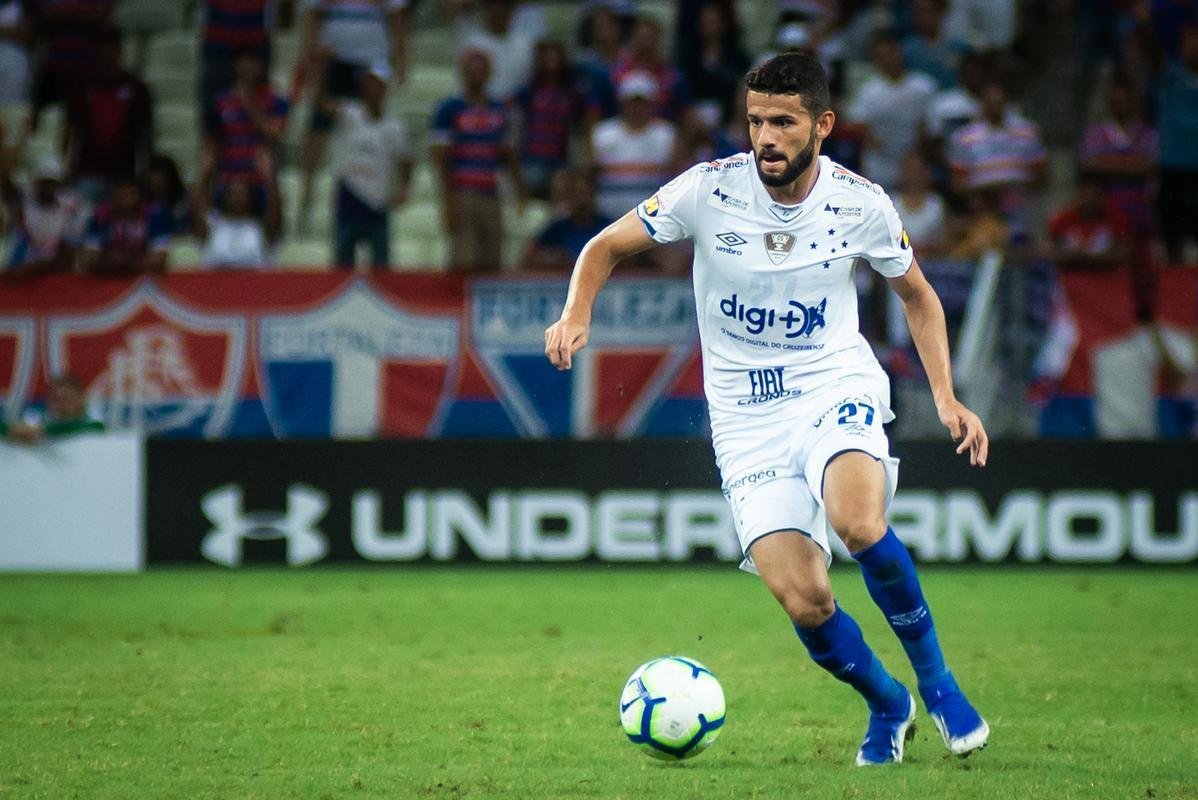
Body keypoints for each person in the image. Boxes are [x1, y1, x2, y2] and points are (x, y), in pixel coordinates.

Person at [544, 52, 990, 766]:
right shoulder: (705, 191)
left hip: (832, 386)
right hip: (746, 420)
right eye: (756, 121)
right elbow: (603, 248)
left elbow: (918, 297)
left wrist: (945, 395)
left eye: (783, 122)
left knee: (859, 522)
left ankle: (938, 684)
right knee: (805, 600)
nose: (766, 138)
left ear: (823, 124)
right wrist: (575, 314)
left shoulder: (862, 204)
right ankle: (889, 702)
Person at [430, 47, 524, 272]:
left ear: (489, 73)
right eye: (471, 70)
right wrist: (448, 202)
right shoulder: (449, 109)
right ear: (463, 73)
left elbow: (508, 154)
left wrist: (519, 189)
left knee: (493, 257)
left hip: (491, 192)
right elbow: (441, 159)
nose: (476, 75)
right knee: (464, 258)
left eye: (481, 71)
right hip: (464, 193)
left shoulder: (499, 110)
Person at [324, 61, 413, 269]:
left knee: (381, 267)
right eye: (368, 84)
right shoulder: (349, 114)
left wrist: (404, 189)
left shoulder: (394, 126)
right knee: (342, 265)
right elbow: (325, 106)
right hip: (348, 196)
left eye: (378, 84)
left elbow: (407, 159)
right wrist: (323, 68)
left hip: (377, 201)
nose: (373, 89)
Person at [64, 28, 153, 200]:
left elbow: (145, 134)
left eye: (110, 48)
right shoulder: (81, 87)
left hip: (124, 174)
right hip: (87, 172)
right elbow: (70, 130)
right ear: (94, 52)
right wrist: (68, 169)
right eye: (101, 49)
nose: (106, 54)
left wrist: (143, 174)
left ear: (119, 50)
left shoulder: (137, 89)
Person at [192, 149, 282, 270]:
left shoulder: (259, 227)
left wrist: (270, 177)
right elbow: (197, 207)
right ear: (225, 196)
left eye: (242, 193)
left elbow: (275, 211)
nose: (237, 197)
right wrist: (204, 175)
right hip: (217, 286)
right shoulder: (213, 224)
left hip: (254, 286)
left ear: (251, 197)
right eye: (233, 193)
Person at [79, 176, 170, 276]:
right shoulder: (100, 217)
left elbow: (160, 258)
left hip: (144, 280)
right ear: (112, 195)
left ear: (138, 195)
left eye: (130, 193)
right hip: (107, 278)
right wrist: (106, 260)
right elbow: (89, 256)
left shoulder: (154, 216)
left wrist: (128, 263)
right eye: (120, 193)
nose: (125, 198)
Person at [524, 167, 611, 270]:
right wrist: (553, 259)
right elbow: (529, 256)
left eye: (585, 193)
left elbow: (629, 258)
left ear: (593, 194)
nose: (582, 199)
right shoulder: (558, 228)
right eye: (577, 194)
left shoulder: (608, 227)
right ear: (569, 196)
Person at [1, 375, 105, 443]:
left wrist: (43, 431)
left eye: (67, 398)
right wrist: (12, 430)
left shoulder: (95, 421)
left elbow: (95, 427)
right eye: (55, 399)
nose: (61, 404)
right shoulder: (38, 420)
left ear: (81, 399)